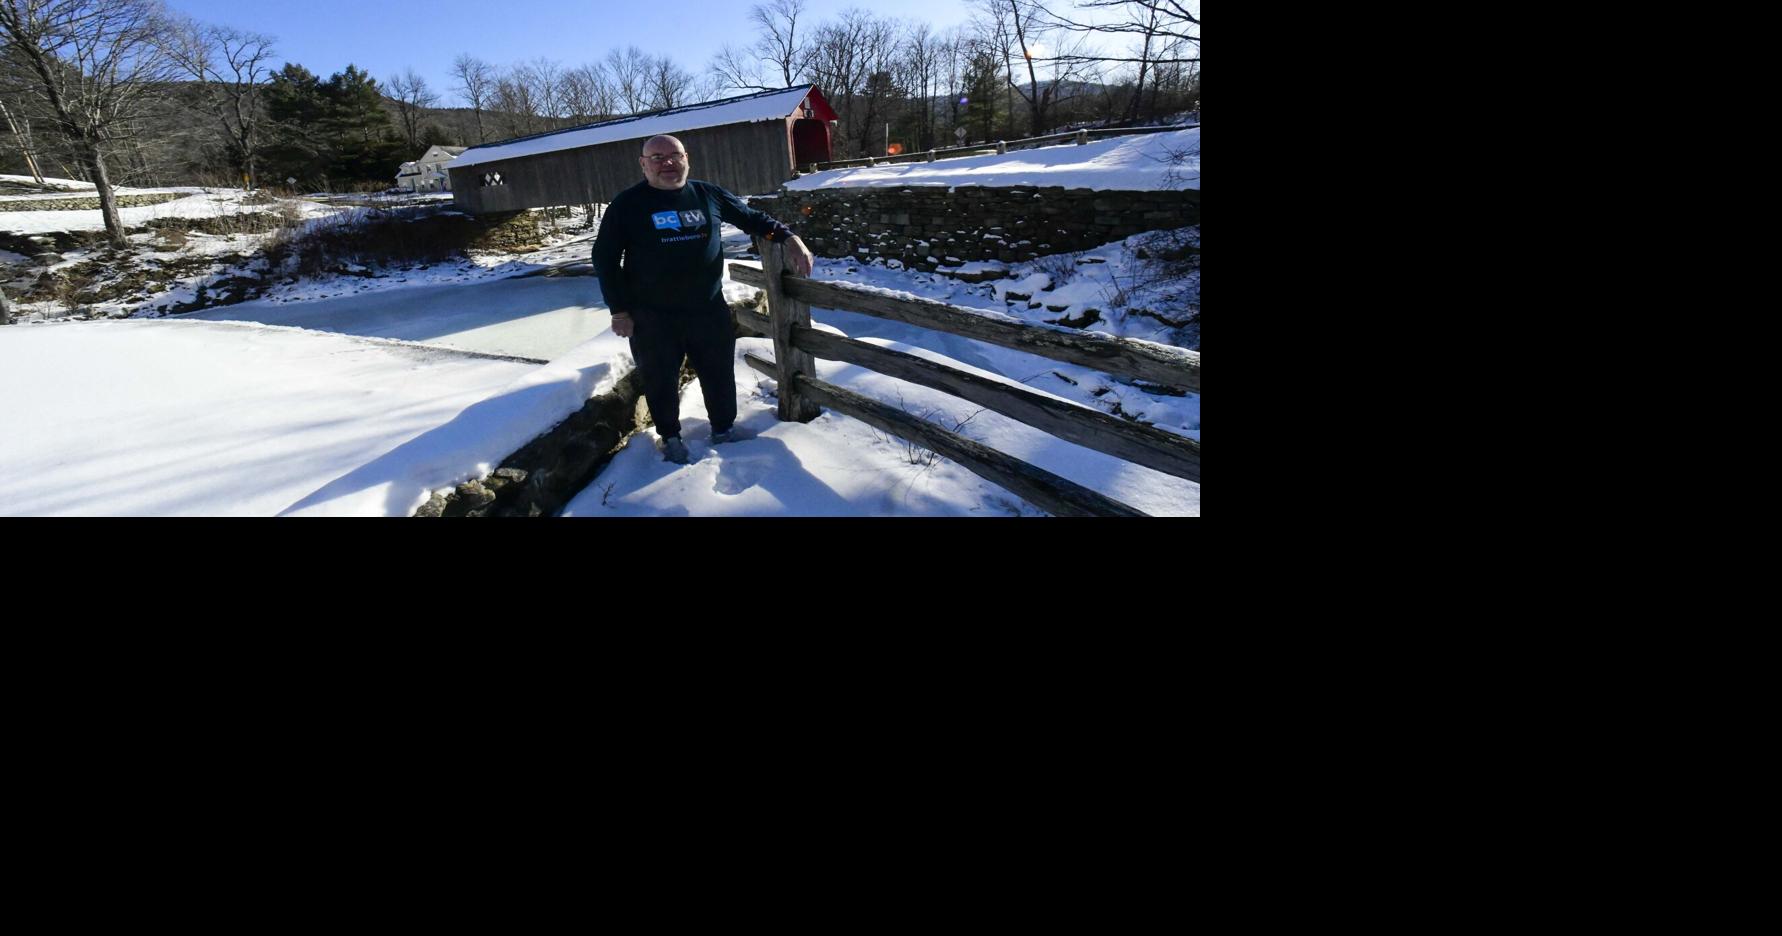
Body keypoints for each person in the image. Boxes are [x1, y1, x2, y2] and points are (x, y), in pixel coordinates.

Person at [592, 134, 815, 464]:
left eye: (674, 155)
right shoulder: (627, 205)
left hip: (707, 309)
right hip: (653, 316)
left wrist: (788, 237)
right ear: (643, 164)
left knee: (719, 375)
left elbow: (753, 219)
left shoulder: (708, 194)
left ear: (687, 158)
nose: (667, 162)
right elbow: (604, 259)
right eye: (657, 158)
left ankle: (723, 429)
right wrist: (619, 310)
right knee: (660, 380)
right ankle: (670, 437)